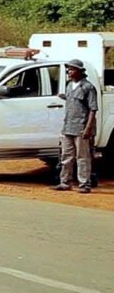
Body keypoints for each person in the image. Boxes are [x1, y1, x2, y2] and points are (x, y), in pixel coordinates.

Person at [52, 59, 98, 194]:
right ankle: (65, 182)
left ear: (80, 71)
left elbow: (93, 109)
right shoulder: (69, 85)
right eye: (69, 69)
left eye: (72, 69)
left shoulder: (88, 87)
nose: (69, 72)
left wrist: (88, 128)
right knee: (66, 156)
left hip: (81, 127)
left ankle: (84, 184)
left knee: (83, 157)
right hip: (68, 127)